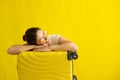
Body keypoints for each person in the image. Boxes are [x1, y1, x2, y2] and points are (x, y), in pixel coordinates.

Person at [7, 27, 78, 55]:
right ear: (36, 43)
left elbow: (74, 47)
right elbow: (10, 50)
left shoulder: (54, 38)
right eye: (42, 39)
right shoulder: (34, 46)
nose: (46, 38)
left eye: (44, 33)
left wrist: (50, 48)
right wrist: (32, 46)